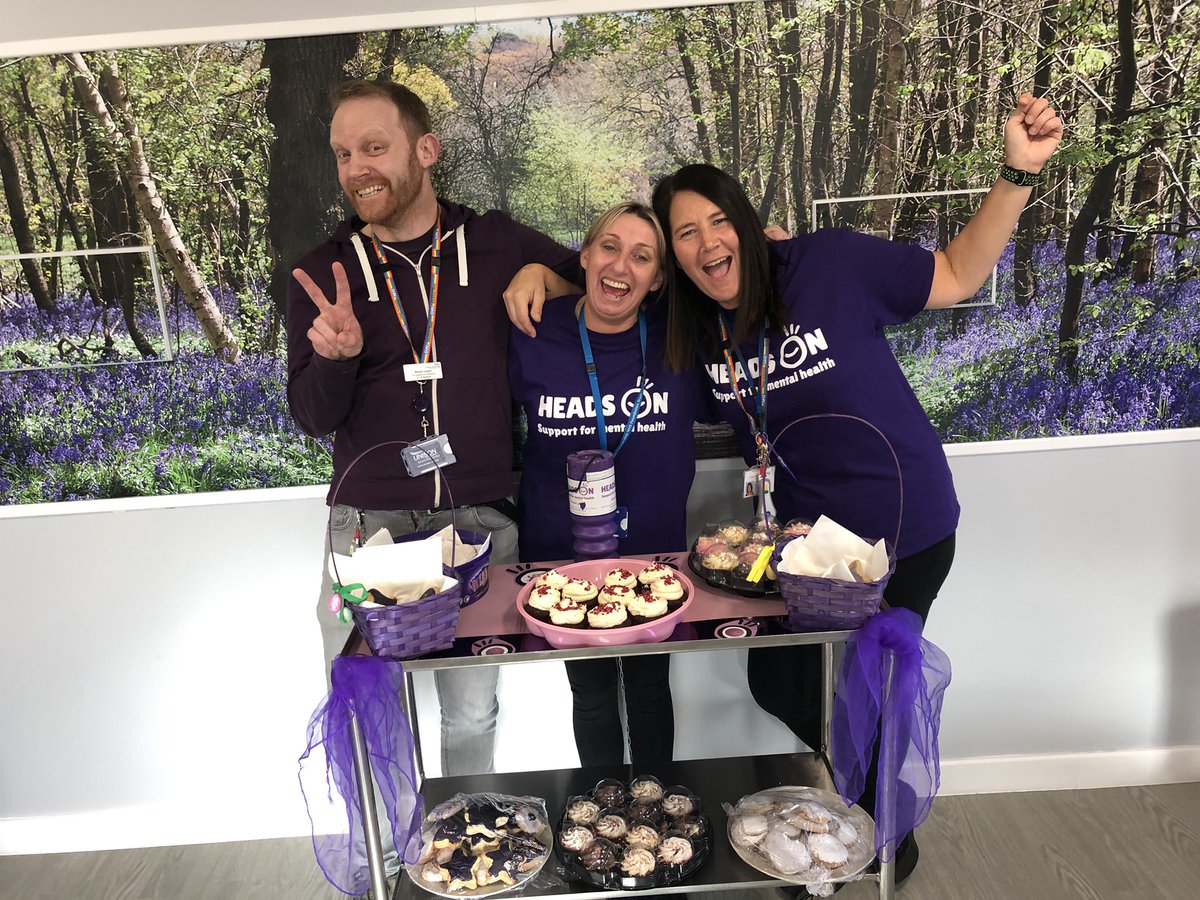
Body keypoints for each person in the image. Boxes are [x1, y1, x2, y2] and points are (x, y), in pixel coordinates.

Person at [650, 93, 1063, 882]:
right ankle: (858, 818)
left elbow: (958, 272)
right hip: (806, 555)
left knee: (867, 689)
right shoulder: (698, 326)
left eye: (716, 220)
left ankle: (873, 844)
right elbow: (611, 277)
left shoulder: (829, 263)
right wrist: (544, 272)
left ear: (744, 217)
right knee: (785, 676)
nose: (706, 243)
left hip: (902, 527)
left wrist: (1018, 170)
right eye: (685, 234)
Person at [286, 79, 580, 778]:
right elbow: (311, 417)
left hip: (477, 516)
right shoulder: (322, 273)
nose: (356, 168)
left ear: (426, 150)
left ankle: (463, 848)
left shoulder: (498, 240)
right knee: (368, 699)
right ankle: (387, 859)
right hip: (370, 522)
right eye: (343, 153)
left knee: (473, 710)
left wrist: (544, 270)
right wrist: (339, 359)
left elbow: (598, 278)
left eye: (374, 147)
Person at [507, 202, 710, 771]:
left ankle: (655, 813)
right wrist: (534, 275)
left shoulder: (678, 339)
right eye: (610, 247)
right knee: (592, 697)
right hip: (561, 564)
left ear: (658, 280)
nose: (621, 265)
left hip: (655, 557)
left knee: (649, 691)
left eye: (642, 257)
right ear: (585, 256)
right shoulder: (534, 331)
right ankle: (604, 809)